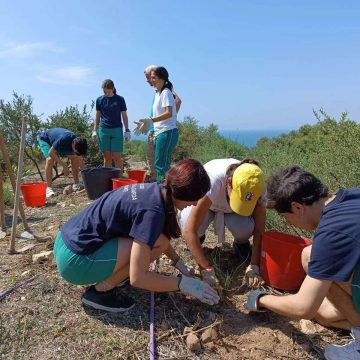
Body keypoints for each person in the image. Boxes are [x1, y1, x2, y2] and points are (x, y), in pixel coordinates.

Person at [53, 159, 220, 313]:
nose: (196, 204)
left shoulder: (156, 190)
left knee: (159, 241)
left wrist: (179, 265)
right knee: (154, 247)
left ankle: (115, 276)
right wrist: (183, 284)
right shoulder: (152, 213)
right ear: (184, 193)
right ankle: (99, 293)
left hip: (65, 241)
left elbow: (158, 238)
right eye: (194, 198)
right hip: (74, 262)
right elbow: (138, 278)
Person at [245, 166, 360, 360]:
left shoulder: (330, 234)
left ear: (298, 207)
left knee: (312, 294)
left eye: (285, 217)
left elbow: (303, 308)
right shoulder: (352, 196)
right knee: (323, 312)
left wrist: (260, 298)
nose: (289, 224)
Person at [180, 158, 267, 288]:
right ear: (229, 181)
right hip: (208, 206)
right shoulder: (212, 180)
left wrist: (254, 265)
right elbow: (189, 230)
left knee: (245, 227)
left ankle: (241, 244)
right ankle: (198, 239)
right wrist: (206, 270)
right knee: (188, 219)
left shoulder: (258, 187)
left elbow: (259, 230)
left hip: (232, 212)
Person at [135, 66, 179, 183]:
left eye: (153, 77)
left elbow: (169, 113)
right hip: (160, 132)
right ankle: (164, 187)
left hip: (167, 132)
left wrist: (151, 120)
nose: (151, 79)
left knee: (161, 164)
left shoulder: (166, 92)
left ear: (161, 78)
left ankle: (162, 189)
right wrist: (147, 123)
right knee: (161, 163)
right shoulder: (158, 93)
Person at [92, 79, 130, 174]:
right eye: (105, 91)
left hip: (117, 130)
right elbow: (97, 116)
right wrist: (94, 130)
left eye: (108, 91)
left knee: (117, 156)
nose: (107, 93)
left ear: (113, 89)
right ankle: (107, 180)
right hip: (104, 130)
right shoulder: (99, 100)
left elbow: (124, 115)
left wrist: (127, 130)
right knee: (107, 156)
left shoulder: (120, 99)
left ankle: (120, 180)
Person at [38, 127, 87, 197]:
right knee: (50, 159)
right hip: (46, 140)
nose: (77, 153)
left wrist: (89, 177)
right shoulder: (63, 139)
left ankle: (76, 184)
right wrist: (64, 166)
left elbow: (81, 161)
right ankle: (48, 188)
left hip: (60, 145)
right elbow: (51, 153)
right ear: (73, 145)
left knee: (75, 158)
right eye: (77, 152)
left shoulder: (77, 142)